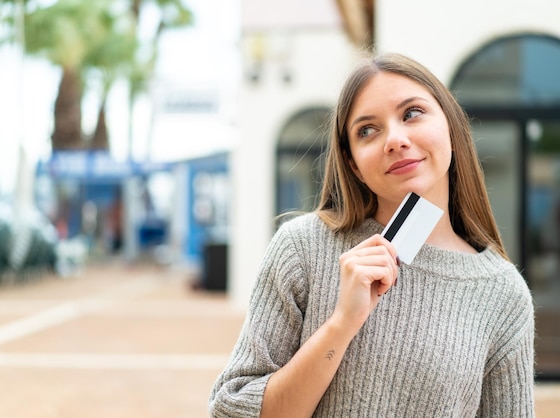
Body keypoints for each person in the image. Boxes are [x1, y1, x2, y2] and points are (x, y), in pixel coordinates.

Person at [208, 52, 535, 417]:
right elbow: (231, 410)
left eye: (412, 113)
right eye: (367, 130)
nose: (394, 140)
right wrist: (342, 323)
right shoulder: (302, 248)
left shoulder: (502, 293)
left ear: (452, 130)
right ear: (354, 165)